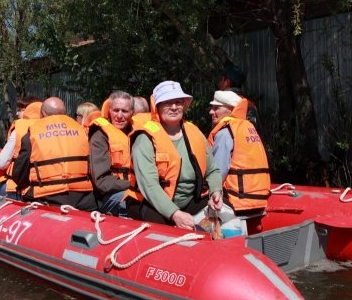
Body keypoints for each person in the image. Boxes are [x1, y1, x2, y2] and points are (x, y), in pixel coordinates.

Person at [126, 81, 223, 230]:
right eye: (167, 102)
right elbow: (149, 186)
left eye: (178, 102)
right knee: (161, 229)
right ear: (156, 106)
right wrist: (175, 214)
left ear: (184, 105)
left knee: (222, 213)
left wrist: (216, 192)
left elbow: (213, 170)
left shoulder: (194, 132)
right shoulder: (144, 139)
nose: (173, 107)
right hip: (151, 202)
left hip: (189, 200)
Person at [11, 97, 97, 210]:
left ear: (42, 113)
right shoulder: (83, 131)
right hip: (84, 198)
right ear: (64, 113)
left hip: (47, 198)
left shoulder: (32, 135)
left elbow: (19, 175)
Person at [206, 90, 271, 234]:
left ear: (230, 110)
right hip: (258, 200)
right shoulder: (248, 127)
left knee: (197, 211)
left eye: (216, 108)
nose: (211, 112)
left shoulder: (225, 132)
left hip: (237, 200)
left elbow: (217, 172)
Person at [0, 96, 41, 195]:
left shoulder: (20, 128)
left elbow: (2, 163)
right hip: (44, 186)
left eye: (20, 110)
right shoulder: (50, 129)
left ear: (30, 109)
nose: (17, 113)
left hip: (19, 186)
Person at [88, 91, 135, 215]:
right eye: (116, 110)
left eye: (124, 111)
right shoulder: (99, 136)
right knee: (139, 204)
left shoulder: (138, 133)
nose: (119, 115)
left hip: (135, 188)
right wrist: (133, 185)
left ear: (132, 113)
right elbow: (102, 182)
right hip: (109, 195)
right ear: (109, 111)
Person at [218, 63, 260, 129]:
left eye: (221, 80)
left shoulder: (222, 104)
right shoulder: (250, 104)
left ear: (227, 82)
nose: (219, 84)